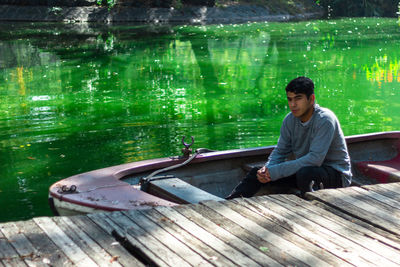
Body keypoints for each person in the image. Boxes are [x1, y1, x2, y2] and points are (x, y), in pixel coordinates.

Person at [226, 76, 352, 199]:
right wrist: (267, 170)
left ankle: (308, 207)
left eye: (298, 99)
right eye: (290, 99)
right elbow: (280, 151)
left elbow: (315, 159)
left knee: (306, 173)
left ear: (311, 99)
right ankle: (230, 202)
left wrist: (276, 172)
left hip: (335, 175)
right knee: (256, 173)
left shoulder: (325, 119)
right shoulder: (289, 120)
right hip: (304, 170)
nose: (293, 104)